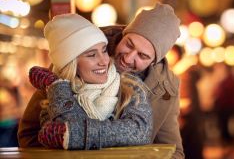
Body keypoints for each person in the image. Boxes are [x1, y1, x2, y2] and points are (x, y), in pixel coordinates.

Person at [18, 3, 184, 158]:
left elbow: (173, 150)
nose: (128, 58)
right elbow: (29, 134)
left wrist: (74, 135)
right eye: (129, 44)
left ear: (153, 61)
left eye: (142, 55)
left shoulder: (162, 89)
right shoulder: (77, 54)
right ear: (124, 34)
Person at [21, 13, 152, 149]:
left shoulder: (131, 87)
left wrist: (76, 135)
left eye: (104, 50)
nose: (104, 61)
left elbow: (139, 132)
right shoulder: (54, 97)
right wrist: (58, 87)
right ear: (72, 64)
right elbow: (67, 134)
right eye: (92, 55)